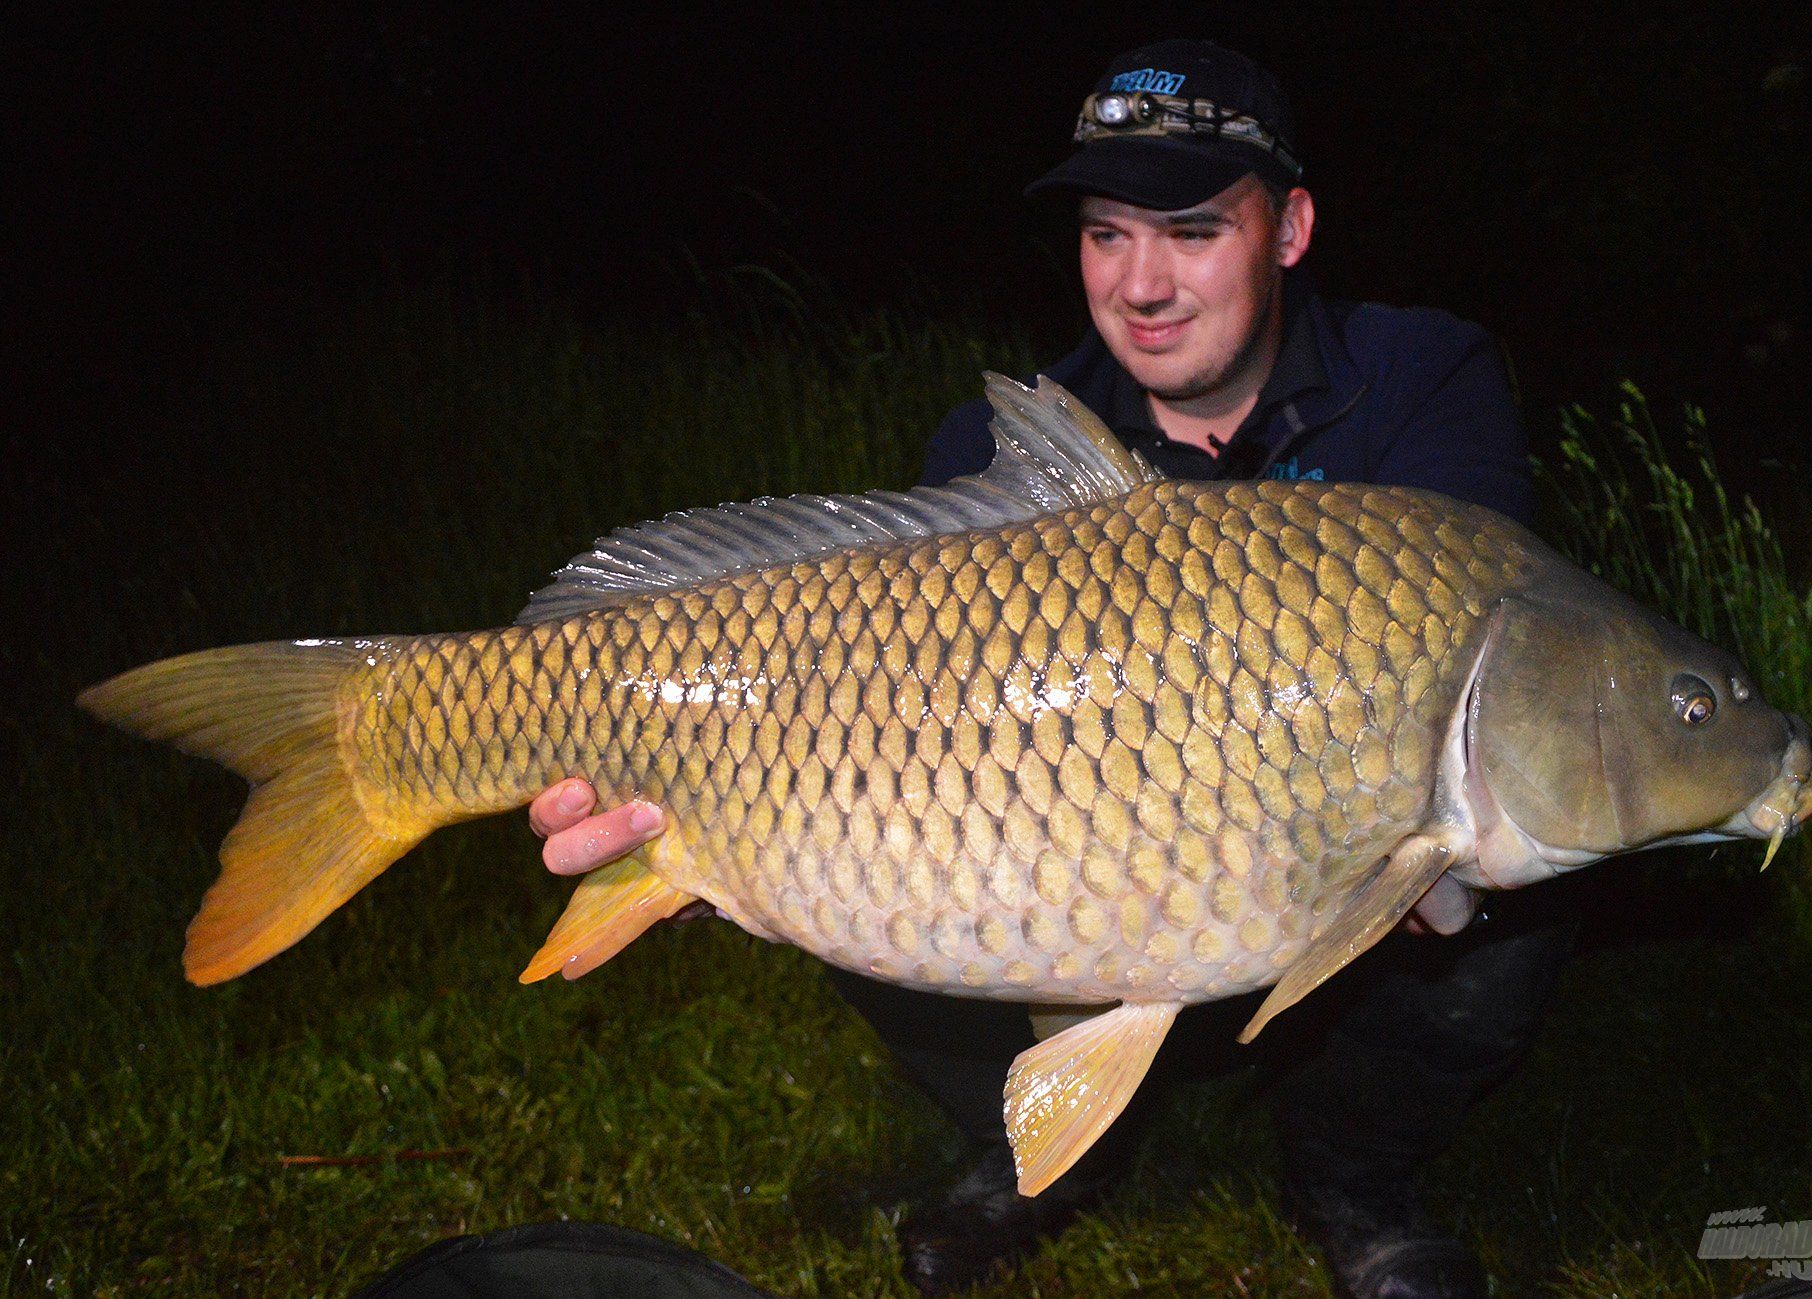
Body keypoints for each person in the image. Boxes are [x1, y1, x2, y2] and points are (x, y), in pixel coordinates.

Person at [528, 39, 1576, 1299]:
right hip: (1071, 885)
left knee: (1514, 859)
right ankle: (1040, 1155)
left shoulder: (1419, 381)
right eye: (1104, 233)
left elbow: (1476, 647)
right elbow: (881, 734)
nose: (1141, 283)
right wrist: (717, 836)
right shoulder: (1000, 447)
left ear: (1289, 227)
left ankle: (1354, 1172)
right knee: (863, 856)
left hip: (1325, 883)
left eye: (1190, 228)